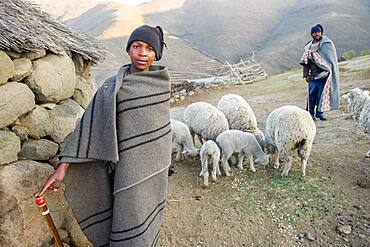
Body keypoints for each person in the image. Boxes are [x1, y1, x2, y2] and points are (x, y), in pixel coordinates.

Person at [37, 25, 171, 247]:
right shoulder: (111, 87)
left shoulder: (160, 85)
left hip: (153, 171)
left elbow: (160, 133)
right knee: (126, 223)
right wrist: (63, 167)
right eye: (137, 46)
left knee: (147, 223)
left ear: (156, 54)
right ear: (129, 49)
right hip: (123, 171)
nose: (142, 53)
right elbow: (90, 126)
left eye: (149, 48)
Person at [300, 24, 340, 120]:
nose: (316, 34)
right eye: (314, 32)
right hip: (313, 76)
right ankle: (310, 114)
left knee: (322, 95)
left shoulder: (327, 44)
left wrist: (327, 72)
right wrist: (306, 75)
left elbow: (331, 61)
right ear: (311, 34)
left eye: (318, 32)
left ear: (321, 32)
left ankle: (320, 113)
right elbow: (306, 63)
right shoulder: (308, 47)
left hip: (324, 76)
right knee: (311, 95)